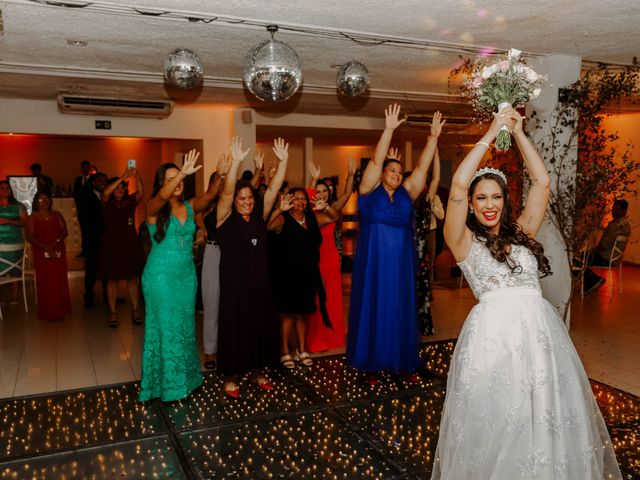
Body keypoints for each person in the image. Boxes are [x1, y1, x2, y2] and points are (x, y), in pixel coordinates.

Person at [431, 107, 622, 479]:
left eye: (496, 197)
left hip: (538, 339)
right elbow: (456, 185)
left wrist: (518, 133)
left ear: (505, 200)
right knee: (502, 419)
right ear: (471, 204)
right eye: (481, 198)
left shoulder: (523, 232)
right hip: (493, 341)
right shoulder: (462, 241)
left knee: (542, 416)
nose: (489, 205)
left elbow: (543, 182)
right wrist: (491, 132)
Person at [347, 104, 444, 381]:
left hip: (400, 269)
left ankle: (402, 362)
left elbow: (423, 168)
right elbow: (376, 162)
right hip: (374, 268)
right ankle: (370, 364)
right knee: (373, 310)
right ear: (381, 175)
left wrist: (433, 138)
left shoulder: (406, 195)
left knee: (400, 312)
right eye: (392, 171)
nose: (396, 175)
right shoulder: (368, 192)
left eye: (399, 172)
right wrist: (388, 131)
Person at [139, 149, 219, 403]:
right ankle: (167, 386)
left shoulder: (189, 206)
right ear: (161, 184)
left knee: (184, 329)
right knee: (165, 329)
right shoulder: (152, 208)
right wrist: (182, 171)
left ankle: (186, 379)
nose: (177, 182)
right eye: (171, 178)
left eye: (180, 178)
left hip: (185, 278)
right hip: (160, 278)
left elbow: (209, 197)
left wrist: (224, 173)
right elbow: (161, 197)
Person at [216, 137, 288, 398]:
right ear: (234, 201)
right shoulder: (224, 219)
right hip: (235, 289)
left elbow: (273, 189)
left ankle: (258, 372)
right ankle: (232, 376)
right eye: (241, 198)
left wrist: (284, 162)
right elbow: (225, 192)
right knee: (235, 329)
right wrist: (235, 162)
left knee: (259, 328)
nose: (246, 201)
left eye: (249, 197)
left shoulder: (259, 217)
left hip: (260, 287)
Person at [268, 187, 327, 369]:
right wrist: (279, 208)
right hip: (287, 274)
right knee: (287, 314)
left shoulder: (312, 218)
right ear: (290, 201)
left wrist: (325, 207)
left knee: (303, 313)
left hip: (307, 274)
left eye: (304, 199)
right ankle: (284, 351)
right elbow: (268, 226)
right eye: (297, 198)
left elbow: (334, 216)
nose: (301, 202)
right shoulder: (283, 219)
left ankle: (302, 349)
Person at [305, 159, 356, 353]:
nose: (321, 194)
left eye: (325, 190)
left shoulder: (332, 209)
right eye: (318, 191)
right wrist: (313, 180)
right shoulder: (308, 210)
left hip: (331, 257)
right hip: (314, 258)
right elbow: (306, 195)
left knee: (331, 297)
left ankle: (333, 337)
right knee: (317, 298)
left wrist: (350, 175)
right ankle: (316, 339)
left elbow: (347, 194)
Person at [98, 168, 145, 328]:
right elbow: (105, 193)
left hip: (130, 243)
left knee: (133, 278)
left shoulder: (130, 201)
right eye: (117, 187)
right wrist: (122, 178)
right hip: (112, 244)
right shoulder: (107, 203)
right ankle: (113, 313)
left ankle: (135, 310)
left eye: (122, 187)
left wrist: (136, 175)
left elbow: (141, 192)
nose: (120, 190)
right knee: (112, 280)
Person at [26, 191, 71, 321]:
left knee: (59, 281)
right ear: (36, 202)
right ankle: (47, 312)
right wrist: (45, 247)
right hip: (41, 251)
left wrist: (55, 243)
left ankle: (61, 311)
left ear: (50, 201)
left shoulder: (57, 215)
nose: (44, 202)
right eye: (40, 200)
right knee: (45, 282)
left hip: (57, 250)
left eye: (46, 199)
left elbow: (65, 232)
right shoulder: (32, 217)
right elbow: (30, 237)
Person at [415, 147, 443, 336]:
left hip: (421, 250)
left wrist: (435, 154)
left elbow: (436, 179)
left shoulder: (425, 202)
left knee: (422, 289)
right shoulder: (400, 204)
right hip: (403, 252)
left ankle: (423, 324)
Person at [200, 162, 225, 371]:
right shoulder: (207, 204)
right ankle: (210, 351)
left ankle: (228, 348)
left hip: (233, 255)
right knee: (212, 303)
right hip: (213, 251)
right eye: (220, 182)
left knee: (231, 304)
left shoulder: (235, 203)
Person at [583, 199, 631, 294]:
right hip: (615, 259)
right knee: (583, 256)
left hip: (606, 258)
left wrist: (590, 251)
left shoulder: (615, 225)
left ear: (624, 211)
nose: (613, 211)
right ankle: (592, 281)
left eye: (617, 209)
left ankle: (594, 280)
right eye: (613, 208)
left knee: (577, 259)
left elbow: (603, 246)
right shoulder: (627, 225)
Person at [81, 172, 107, 308]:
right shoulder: (86, 197)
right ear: (93, 183)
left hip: (107, 239)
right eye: (99, 180)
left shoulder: (109, 196)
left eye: (104, 180)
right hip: (92, 239)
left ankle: (107, 295)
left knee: (107, 267)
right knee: (91, 268)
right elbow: (86, 220)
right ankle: (89, 296)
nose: (103, 182)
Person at [0, 181, 28, 304]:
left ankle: (14, 297)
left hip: (15, 241)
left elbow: (25, 222)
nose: (5, 190)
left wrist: (9, 222)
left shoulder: (19, 206)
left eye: (7, 188)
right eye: (2, 188)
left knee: (14, 268)